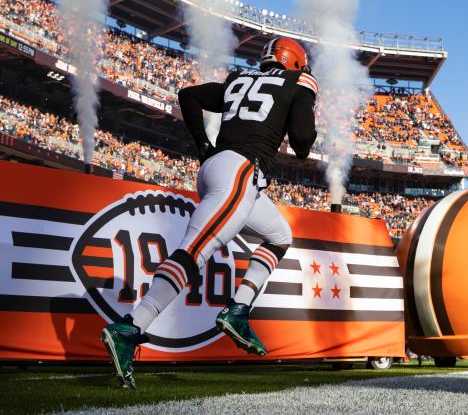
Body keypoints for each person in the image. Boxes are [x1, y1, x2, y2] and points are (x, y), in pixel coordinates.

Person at [100, 37, 318, 389]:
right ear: (295, 63)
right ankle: (131, 326)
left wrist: (203, 145)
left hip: (218, 168)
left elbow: (189, 95)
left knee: (280, 236)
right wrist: (306, 103)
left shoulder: (238, 79)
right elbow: (303, 143)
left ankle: (238, 309)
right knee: (194, 251)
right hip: (241, 172)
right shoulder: (297, 83)